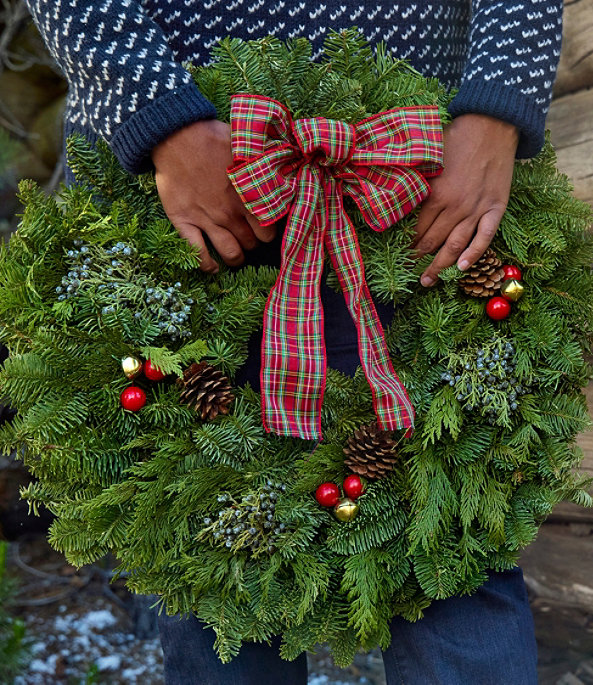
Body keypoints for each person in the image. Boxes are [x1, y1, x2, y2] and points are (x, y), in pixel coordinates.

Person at [22, 1, 563, 682]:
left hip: (415, 178)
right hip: (188, 191)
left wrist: (497, 105)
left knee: (457, 552)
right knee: (214, 558)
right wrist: (157, 108)